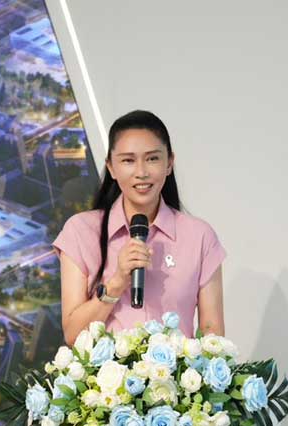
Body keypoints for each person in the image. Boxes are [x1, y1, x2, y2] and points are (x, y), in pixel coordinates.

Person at [52, 110, 226, 346]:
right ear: (111, 167)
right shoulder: (81, 231)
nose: (142, 173)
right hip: (104, 371)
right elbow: (73, 335)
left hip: (175, 370)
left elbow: (212, 335)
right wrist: (117, 282)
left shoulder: (200, 236)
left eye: (152, 159)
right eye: (128, 160)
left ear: (169, 163)